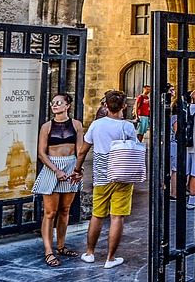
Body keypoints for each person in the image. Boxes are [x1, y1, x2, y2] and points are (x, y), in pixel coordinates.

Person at [77, 91, 139, 268]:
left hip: (101, 176)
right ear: (124, 107)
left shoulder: (96, 125)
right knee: (117, 217)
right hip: (122, 175)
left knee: (97, 215)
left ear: (105, 105)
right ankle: (110, 258)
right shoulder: (127, 127)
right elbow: (133, 149)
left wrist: (77, 168)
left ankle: (90, 253)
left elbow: (83, 150)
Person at [31, 92, 84, 266]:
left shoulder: (76, 125)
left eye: (59, 102)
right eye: (53, 103)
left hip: (70, 166)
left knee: (65, 209)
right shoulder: (47, 126)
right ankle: (48, 250)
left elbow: (80, 149)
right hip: (52, 167)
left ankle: (61, 246)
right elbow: (41, 153)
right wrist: (56, 170)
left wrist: (78, 168)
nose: (55, 105)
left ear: (67, 105)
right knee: (50, 212)